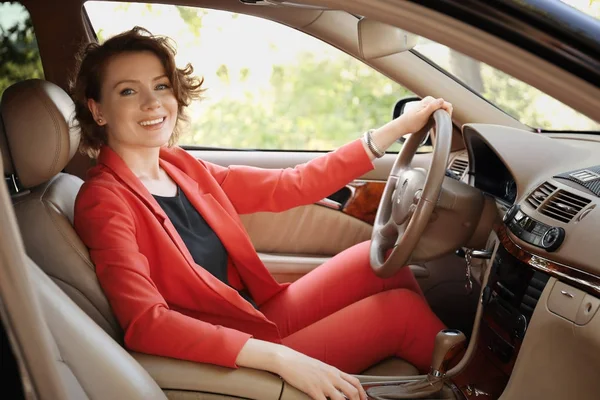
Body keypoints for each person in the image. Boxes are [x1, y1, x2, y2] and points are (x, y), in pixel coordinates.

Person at [72, 27, 452, 400]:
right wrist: (279, 357)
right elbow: (146, 324)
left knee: (383, 259)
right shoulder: (104, 201)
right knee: (398, 314)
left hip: (253, 315)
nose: (152, 103)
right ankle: (481, 388)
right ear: (98, 111)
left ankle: (444, 380)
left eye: (160, 86)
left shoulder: (179, 165)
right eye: (127, 91)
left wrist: (398, 128)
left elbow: (291, 184)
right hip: (234, 351)